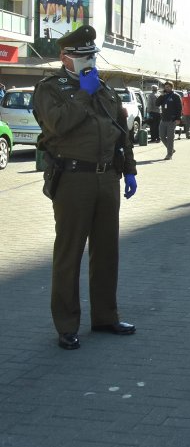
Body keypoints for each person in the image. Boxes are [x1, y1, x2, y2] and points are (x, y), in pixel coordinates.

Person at [32, 24, 138, 350]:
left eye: (92, 54)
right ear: (65, 56)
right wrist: (83, 93)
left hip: (107, 177)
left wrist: (130, 170)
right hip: (73, 178)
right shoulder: (50, 89)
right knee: (70, 252)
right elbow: (58, 124)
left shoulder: (104, 88)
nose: (89, 60)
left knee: (107, 252)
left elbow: (120, 130)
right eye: (82, 55)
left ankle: (105, 316)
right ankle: (66, 324)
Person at [156, 81, 181, 160]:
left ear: (171, 87)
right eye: (165, 87)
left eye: (168, 87)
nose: (166, 88)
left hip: (172, 120)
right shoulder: (164, 96)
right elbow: (157, 104)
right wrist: (161, 96)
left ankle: (169, 154)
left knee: (170, 138)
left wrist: (178, 118)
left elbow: (179, 108)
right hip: (163, 119)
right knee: (162, 136)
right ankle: (171, 149)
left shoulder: (176, 96)